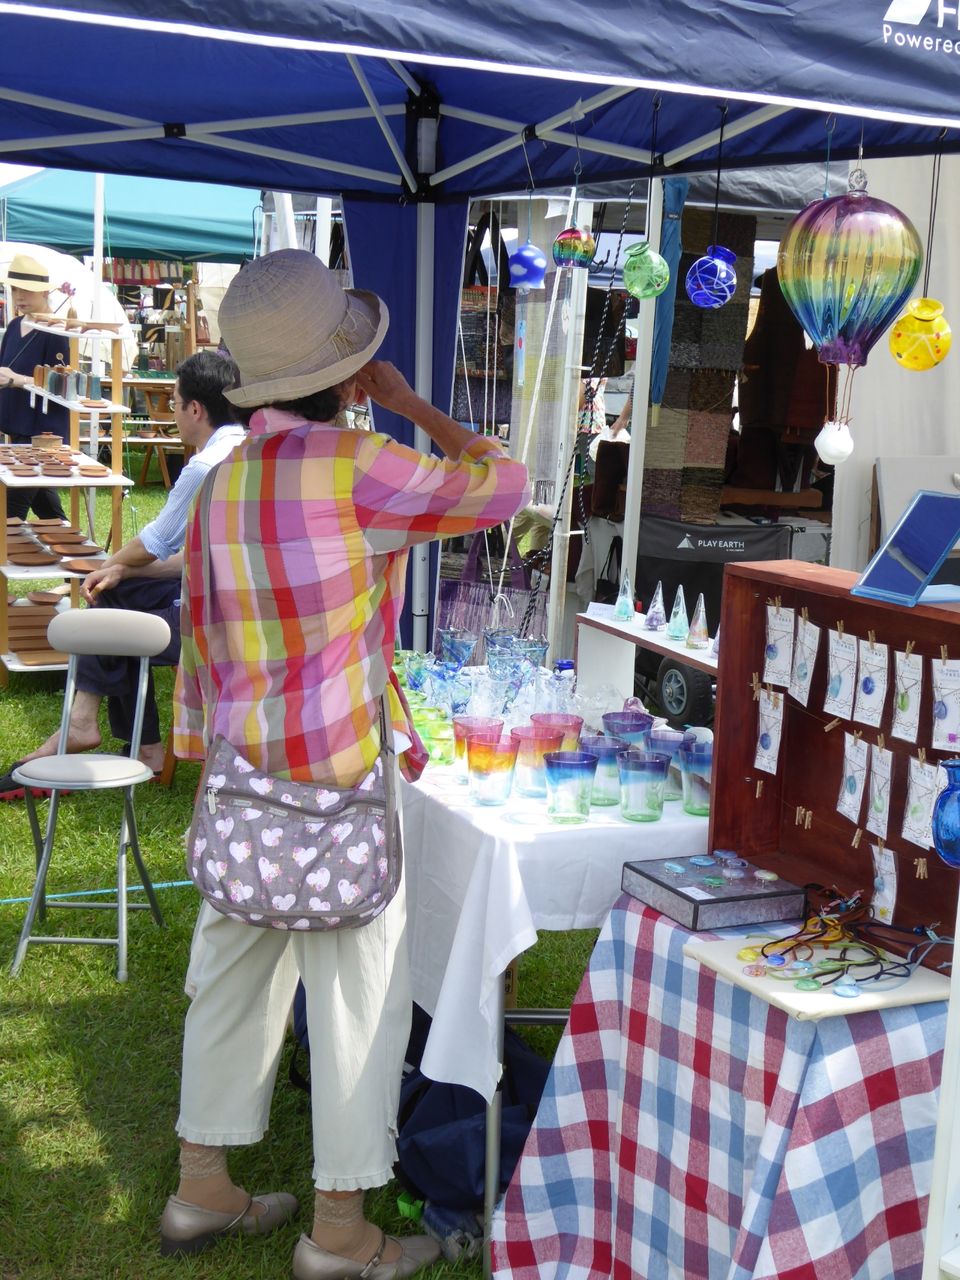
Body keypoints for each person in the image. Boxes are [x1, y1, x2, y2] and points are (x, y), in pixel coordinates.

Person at [161, 249, 529, 1278]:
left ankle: (201, 1186)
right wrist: (413, 405)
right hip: (337, 773)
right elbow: (504, 485)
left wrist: (194, 746)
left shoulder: (222, 478)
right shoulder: (361, 465)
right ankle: (338, 1232)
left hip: (244, 768)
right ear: (347, 370)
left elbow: (201, 630)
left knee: (231, 976)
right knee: (356, 996)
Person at [0, 350, 245, 798]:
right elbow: (199, 558)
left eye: (174, 403)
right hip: (238, 601)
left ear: (195, 409)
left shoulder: (206, 466)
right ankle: (128, 742)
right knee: (117, 592)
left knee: (110, 621)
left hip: (218, 619)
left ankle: (92, 727)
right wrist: (119, 572)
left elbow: (155, 543)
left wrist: (108, 565)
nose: (172, 413)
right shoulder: (246, 449)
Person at [0, 252, 72, 520]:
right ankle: (72, 543)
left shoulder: (56, 330)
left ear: (44, 292)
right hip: (16, 429)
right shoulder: (14, 326)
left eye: (27, 290)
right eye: (15, 289)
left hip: (42, 434)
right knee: (47, 509)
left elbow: (61, 383)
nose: (20, 296)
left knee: (10, 511)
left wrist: (17, 379)